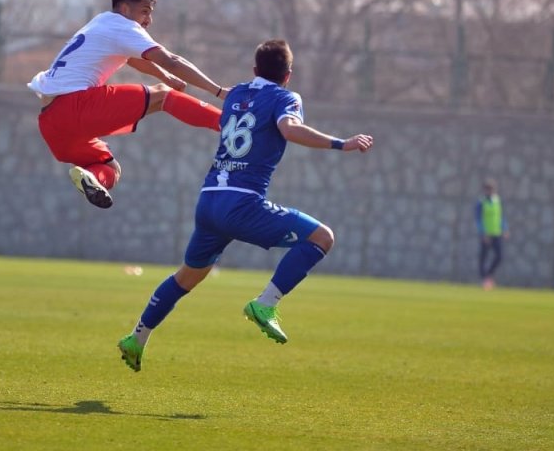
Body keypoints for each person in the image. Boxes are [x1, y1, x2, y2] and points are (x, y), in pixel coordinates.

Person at [116, 39, 373, 372]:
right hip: (241, 203)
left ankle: (137, 338)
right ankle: (266, 304)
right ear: (288, 75)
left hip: (209, 200)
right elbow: (289, 128)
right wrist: (342, 143)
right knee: (322, 238)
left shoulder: (237, 93)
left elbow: (225, 96)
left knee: (186, 277)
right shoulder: (285, 97)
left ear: (254, 71)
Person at [29, 0, 229, 209]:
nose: (148, 20)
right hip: (75, 107)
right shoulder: (123, 27)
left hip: (51, 124)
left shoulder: (101, 21)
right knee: (162, 96)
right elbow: (172, 60)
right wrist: (219, 91)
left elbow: (133, 57)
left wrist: (165, 77)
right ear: (125, 9)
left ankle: (92, 179)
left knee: (110, 169)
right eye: (144, 12)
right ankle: (227, 124)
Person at [476, 179, 508, 290]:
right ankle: (485, 279)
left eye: (492, 189)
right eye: (488, 189)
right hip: (486, 234)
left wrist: (504, 229)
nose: (490, 191)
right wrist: (483, 233)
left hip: (496, 233)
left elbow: (500, 216)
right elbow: (478, 219)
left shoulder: (497, 201)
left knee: (499, 256)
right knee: (483, 257)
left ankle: (489, 275)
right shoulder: (481, 202)